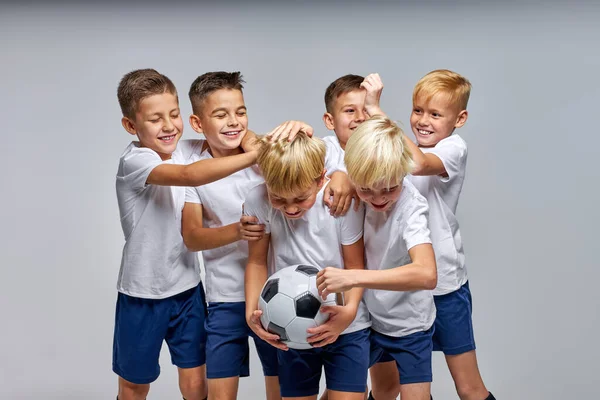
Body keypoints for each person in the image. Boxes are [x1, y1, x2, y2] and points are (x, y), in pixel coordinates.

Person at [112, 68, 299, 400]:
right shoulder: (140, 160)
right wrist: (256, 153)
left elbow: (235, 131)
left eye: (174, 115)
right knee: (135, 384)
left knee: (197, 385)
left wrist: (257, 140)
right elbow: (190, 177)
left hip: (189, 290)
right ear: (131, 125)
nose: (168, 126)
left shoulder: (185, 147)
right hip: (143, 291)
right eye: (156, 119)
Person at [317, 115, 438, 400]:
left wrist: (353, 276)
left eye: (389, 188)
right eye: (367, 190)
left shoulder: (412, 208)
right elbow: (313, 150)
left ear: (404, 172)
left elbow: (427, 274)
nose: (379, 198)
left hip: (410, 326)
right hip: (371, 320)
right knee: (380, 391)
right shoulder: (355, 189)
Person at [243, 132, 371, 400]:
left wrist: (348, 312)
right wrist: (251, 313)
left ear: (320, 178)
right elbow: (256, 261)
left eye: (300, 199)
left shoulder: (340, 201)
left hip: (347, 326)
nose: (290, 209)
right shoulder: (257, 200)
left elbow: (355, 264)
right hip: (290, 330)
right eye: (278, 198)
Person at [402, 69, 496, 400]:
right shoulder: (404, 149)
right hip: (401, 287)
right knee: (398, 387)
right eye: (417, 110)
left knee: (469, 388)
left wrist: (377, 115)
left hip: (444, 285)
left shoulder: (453, 147)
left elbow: (418, 164)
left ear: (460, 118)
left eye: (435, 114)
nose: (423, 121)